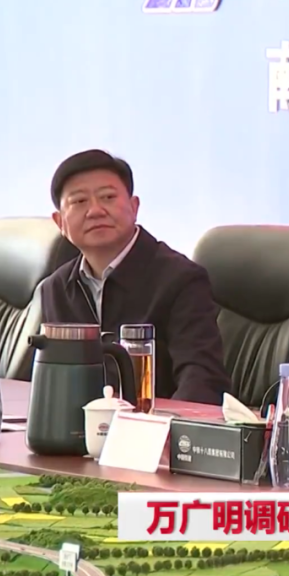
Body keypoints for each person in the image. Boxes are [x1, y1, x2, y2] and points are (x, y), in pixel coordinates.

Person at [39, 149, 232, 405]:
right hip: (80, 428)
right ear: (60, 222)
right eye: (79, 201)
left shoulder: (180, 280)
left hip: (155, 426)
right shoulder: (55, 289)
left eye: (108, 197)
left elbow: (202, 382)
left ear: (134, 207)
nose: (95, 210)